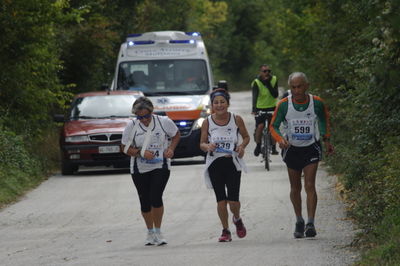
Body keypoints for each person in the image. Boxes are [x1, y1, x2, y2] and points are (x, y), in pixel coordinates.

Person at [270, 72, 334, 238]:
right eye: (293, 87)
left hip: (311, 147)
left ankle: (310, 222)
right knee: (295, 187)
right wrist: (280, 139)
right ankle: (299, 219)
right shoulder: (284, 104)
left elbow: (323, 119)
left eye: (299, 86)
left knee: (310, 185)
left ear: (307, 86)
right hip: (292, 148)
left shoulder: (317, 102)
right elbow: (273, 126)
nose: (297, 90)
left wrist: (326, 140)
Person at [121, 96, 180, 246]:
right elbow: (124, 148)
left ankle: (158, 231)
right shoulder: (131, 126)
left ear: (152, 112)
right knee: (145, 201)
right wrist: (141, 152)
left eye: (147, 116)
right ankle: (150, 232)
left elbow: (176, 135)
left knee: (156, 196)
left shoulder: (163, 122)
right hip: (139, 167)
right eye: (140, 117)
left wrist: (171, 149)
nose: (144, 120)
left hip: (160, 165)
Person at [200, 88, 250, 242]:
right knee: (221, 200)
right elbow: (201, 143)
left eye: (222, 102)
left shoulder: (236, 119)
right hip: (215, 163)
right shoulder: (207, 122)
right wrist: (208, 147)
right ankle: (225, 230)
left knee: (233, 201)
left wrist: (241, 147)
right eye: (216, 102)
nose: (219, 105)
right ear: (212, 105)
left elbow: (246, 137)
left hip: (232, 163)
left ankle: (236, 218)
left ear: (228, 103)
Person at [251, 64, 279, 156]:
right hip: (260, 108)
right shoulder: (256, 82)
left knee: (273, 127)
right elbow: (254, 96)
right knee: (260, 126)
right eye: (264, 71)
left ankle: (274, 147)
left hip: (272, 107)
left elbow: (275, 95)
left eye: (268, 71)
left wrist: (268, 84)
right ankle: (258, 146)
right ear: (260, 72)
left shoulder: (274, 79)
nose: (267, 73)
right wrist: (254, 109)